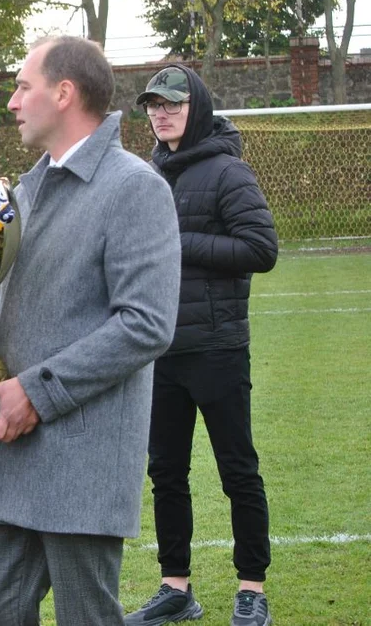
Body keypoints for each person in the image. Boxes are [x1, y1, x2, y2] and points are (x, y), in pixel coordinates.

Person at [0, 36, 182, 625]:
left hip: (84, 455)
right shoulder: (23, 190)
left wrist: (36, 391)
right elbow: (9, 284)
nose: (12, 102)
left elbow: (146, 324)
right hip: (9, 449)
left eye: (23, 86)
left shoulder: (136, 188)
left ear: (64, 92)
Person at [123, 66, 278, 626]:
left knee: (238, 471)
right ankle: (175, 588)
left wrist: (178, 242)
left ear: (198, 108)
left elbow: (261, 248)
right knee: (166, 472)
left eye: (173, 104)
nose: (161, 114)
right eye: (153, 106)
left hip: (217, 348)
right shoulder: (145, 176)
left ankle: (252, 590)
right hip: (159, 351)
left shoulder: (228, 172)